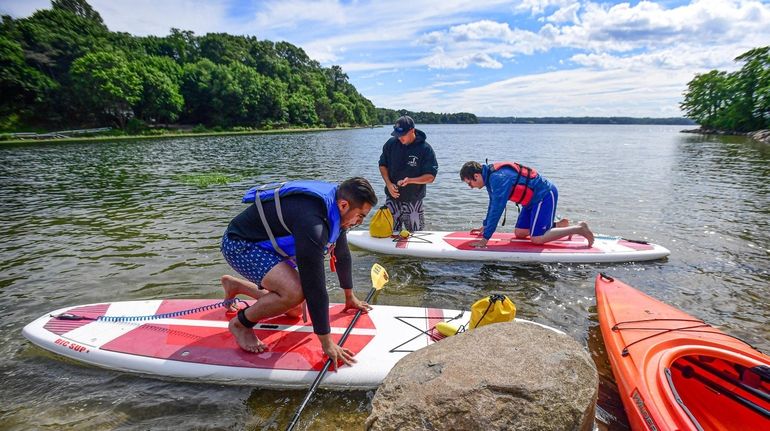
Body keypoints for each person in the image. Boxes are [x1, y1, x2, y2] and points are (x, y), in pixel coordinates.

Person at [219, 177, 377, 369]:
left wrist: (349, 296)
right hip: (240, 245)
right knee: (295, 292)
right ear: (344, 205)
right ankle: (241, 324)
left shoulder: (336, 207)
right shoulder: (313, 224)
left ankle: (236, 286)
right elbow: (315, 286)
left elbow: (342, 254)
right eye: (361, 216)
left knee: (293, 310)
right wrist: (327, 343)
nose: (360, 222)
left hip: (265, 245)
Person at [459, 161, 594, 247]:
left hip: (544, 195)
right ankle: (557, 225)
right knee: (520, 233)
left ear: (476, 176)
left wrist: (485, 239)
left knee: (537, 239)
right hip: (530, 202)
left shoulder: (498, 178)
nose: (471, 187)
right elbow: (492, 204)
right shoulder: (489, 177)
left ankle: (579, 228)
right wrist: (485, 225)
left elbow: (497, 209)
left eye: (469, 183)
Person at [378, 115, 438, 232]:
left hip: (413, 200)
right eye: (397, 135)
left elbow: (430, 177)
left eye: (403, 135)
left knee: (416, 236)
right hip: (392, 199)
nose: (399, 138)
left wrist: (410, 180)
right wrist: (389, 184)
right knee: (389, 234)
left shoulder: (425, 149)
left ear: (412, 131)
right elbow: (382, 165)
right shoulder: (391, 144)